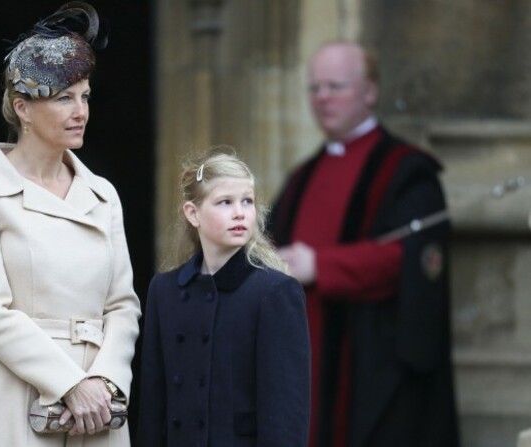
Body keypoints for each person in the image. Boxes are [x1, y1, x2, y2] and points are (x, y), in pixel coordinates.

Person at [0, 3, 141, 446]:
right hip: (14, 399)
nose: (80, 111)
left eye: (85, 96)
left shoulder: (103, 194)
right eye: (63, 97)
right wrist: (69, 384)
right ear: (23, 109)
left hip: (98, 407)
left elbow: (122, 306)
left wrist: (105, 383)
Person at [268, 41, 459, 447]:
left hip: (375, 367)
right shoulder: (302, 176)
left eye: (336, 86)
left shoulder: (407, 170)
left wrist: (321, 266)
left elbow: (414, 259)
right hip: (309, 362)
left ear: (370, 91)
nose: (323, 98)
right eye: (315, 88)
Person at [137, 148, 311, 446]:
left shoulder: (274, 292)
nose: (240, 213)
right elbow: (153, 405)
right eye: (225, 202)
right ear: (193, 213)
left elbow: (285, 413)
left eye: (247, 201)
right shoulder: (164, 291)